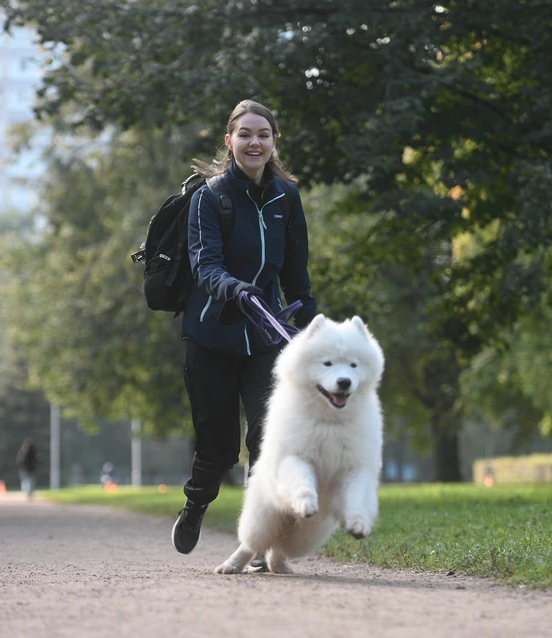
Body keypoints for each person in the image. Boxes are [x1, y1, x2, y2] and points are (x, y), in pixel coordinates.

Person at [171, 100, 317, 566]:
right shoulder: (209, 197)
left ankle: (260, 543)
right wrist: (236, 290)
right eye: (246, 134)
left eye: (264, 135)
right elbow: (205, 265)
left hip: (266, 339)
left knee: (267, 439)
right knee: (217, 449)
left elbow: (297, 270)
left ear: (274, 143)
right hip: (211, 336)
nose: (255, 142)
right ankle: (196, 504)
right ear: (229, 141)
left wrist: (312, 322)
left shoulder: (286, 197)